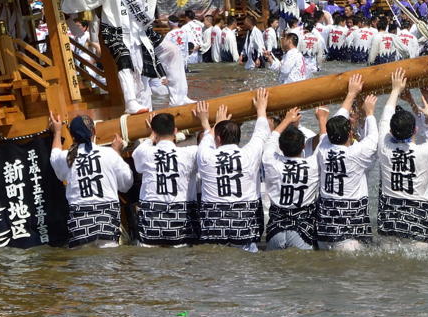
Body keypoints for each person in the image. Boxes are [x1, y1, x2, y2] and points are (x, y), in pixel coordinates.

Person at [60, 0, 182, 113]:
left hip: (142, 30)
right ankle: (133, 104)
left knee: (171, 51)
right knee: (130, 66)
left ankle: (178, 98)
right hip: (117, 30)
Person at [377, 70, 428, 242]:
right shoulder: (424, 151)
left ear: (390, 130)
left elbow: (385, 117)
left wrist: (395, 90)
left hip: (391, 216)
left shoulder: (384, 148)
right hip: (419, 216)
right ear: (415, 130)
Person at [195, 90, 271, 252]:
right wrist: (261, 110)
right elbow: (261, 133)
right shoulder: (249, 155)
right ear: (239, 138)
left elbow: (206, 140)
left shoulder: (206, 157)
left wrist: (210, 122)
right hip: (243, 227)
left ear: (218, 139)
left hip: (214, 228)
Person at [314, 74, 378, 250]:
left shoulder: (323, 148)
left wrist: (351, 94)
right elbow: (374, 137)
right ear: (351, 133)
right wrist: (370, 112)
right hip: (349, 238)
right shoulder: (356, 153)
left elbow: (336, 120)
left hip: (324, 232)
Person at [49, 113, 132, 248]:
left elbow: (54, 157)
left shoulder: (67, 157)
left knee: (84, 264)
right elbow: (126, 184)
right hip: (107, 222)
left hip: (80, 224)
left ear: (72, 136)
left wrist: (57, 132)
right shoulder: (109, 154)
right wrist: (117, 152)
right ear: (94, 131)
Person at [132, 112, 198, 247]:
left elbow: (138, 153)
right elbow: (209, 151)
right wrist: (205, 125)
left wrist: (151, 136)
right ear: (175, 131)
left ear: (154, 132)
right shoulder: (190, 153)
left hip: (152, 224)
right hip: (180, 225)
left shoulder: (144, 153)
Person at [262, 107, 319, 250]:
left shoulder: (271, 163)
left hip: (275, 231)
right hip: (302, 231)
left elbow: (271, 139)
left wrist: (287, 119)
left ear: (280, 147)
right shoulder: (312, 165)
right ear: (303, 146)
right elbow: (324, 144)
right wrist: (322, 120)